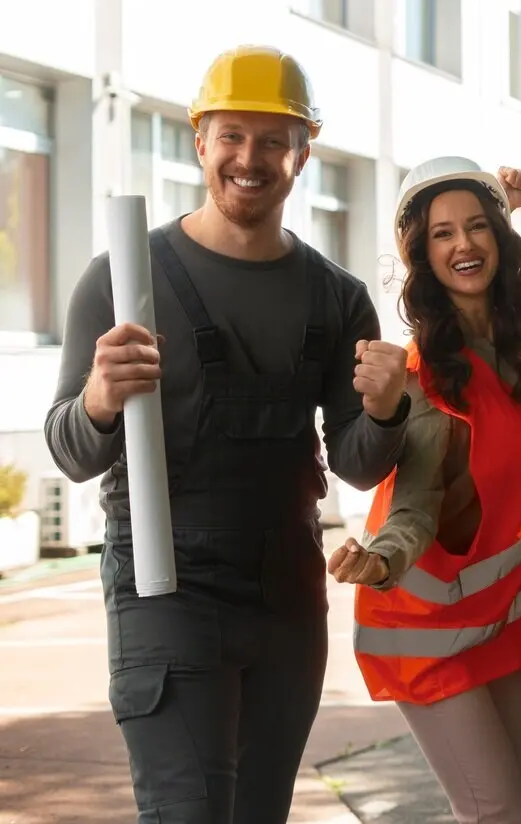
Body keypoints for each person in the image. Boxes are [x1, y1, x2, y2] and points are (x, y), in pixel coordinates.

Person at [42, 44, 412, 824]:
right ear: (199, 140)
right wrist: (100, 399)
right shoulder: (123, 279)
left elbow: (353, 462)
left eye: (274, 139)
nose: (252, 158)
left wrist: (385, 413)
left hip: (287, 594)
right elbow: (71, 452)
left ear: (303, 152)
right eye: (233, 136)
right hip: (164, 585)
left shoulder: (335, 298)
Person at [325, 158, 521, 824]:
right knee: (498, 811)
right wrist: (382, 558)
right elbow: (415, 505)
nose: (463, 245)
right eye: (443, 235)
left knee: (518, 813)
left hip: (495, 618)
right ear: (422, 257)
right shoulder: (428, 375)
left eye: (478, 228)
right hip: (425, 630)